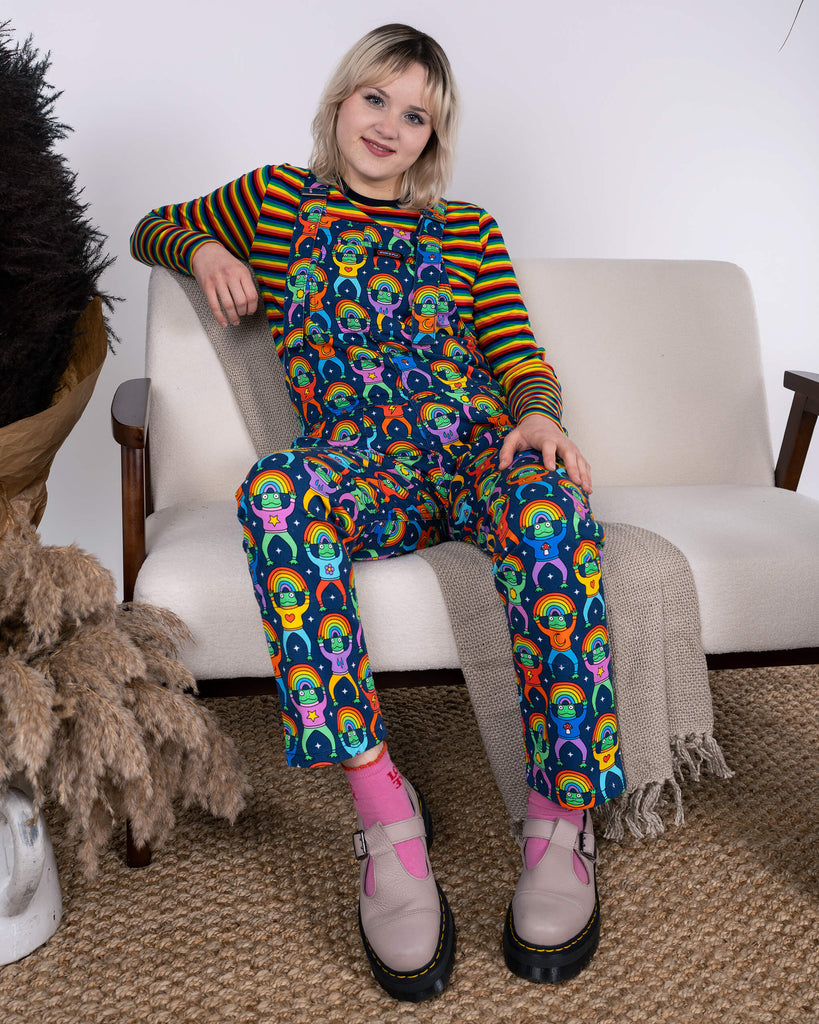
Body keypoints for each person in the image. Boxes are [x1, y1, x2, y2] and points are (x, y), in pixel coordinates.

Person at [131, 23, 625, 1002]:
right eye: (376, 100)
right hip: (358, 466)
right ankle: (386, 815)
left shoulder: (467, 229)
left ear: (433, 141)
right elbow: (151, 223)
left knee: (555, 504)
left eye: (416, 116)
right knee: (274, 491)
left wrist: (537, 417)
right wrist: (203, 248)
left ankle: (562, 816)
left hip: (474, 450)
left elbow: (517, 353)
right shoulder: (276, 201)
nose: (390, 126)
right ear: (340, 100)